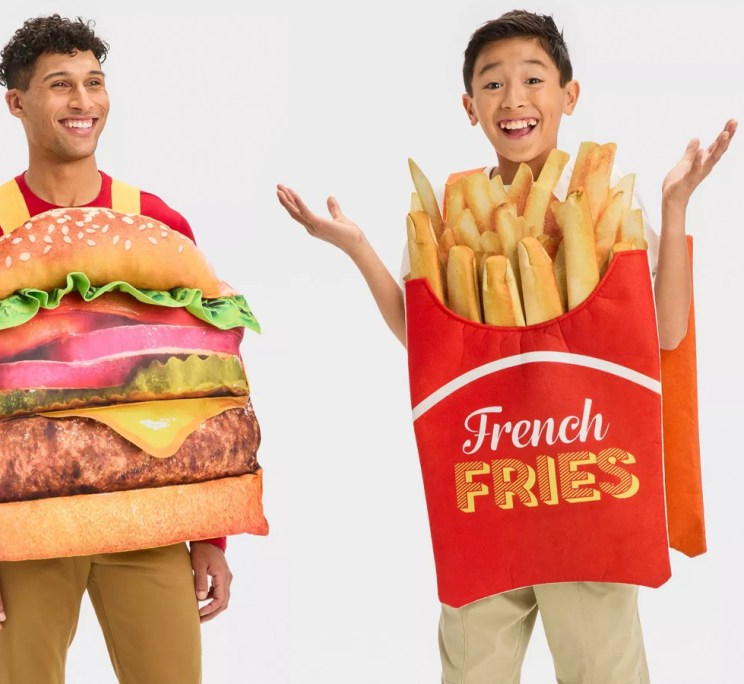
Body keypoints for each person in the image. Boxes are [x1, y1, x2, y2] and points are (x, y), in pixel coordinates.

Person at [277, 10, 735, 683]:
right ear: (470, 107)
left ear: (568, 96)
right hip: (486, 494)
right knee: (473, 670)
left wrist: (674, 205)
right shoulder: (448, 217)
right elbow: (424, 340)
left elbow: (664, 335)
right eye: (492, 85)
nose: (514, 100)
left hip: (590, 497)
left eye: (533, 79)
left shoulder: (607, 203)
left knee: (602, 670)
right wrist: (357, 248)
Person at [0, 14, 231, 683]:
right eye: (60, 85)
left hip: (147, 521)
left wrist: (210, 533)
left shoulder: (160, 223)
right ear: (17, 102)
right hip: (20, 528)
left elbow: (199, 386)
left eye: (94, 82)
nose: (83, 101)